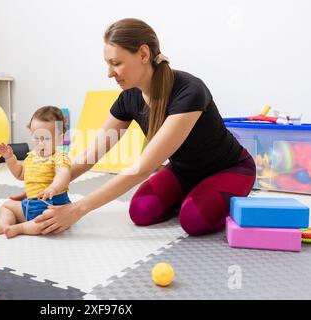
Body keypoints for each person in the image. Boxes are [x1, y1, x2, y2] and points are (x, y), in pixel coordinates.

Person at [33, 18, 256, 236]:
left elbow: (142, 168)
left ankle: (209, 197)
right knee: (140, 211)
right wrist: (43, 188)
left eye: (116, 63)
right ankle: (196, 195)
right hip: (184, 172)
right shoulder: (128, 98)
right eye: (108, 64)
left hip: (229, 169)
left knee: (193, 220)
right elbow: (90, 155)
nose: (109, 73)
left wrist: (77, 209)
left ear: (143, 54)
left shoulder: (189, 91)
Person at [0, 106, 71, 238]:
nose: (40, 143)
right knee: (7, 206)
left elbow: (63, 173)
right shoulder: (31, 157)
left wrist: (53, 188)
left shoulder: (59, 157)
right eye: (36, 138)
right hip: (30, 205)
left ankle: (20, 227)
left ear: (60, 139)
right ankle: (4, 224)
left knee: (47, 223)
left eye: (46, 138)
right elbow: (20, 174)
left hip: (52, 205)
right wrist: (10, 158)